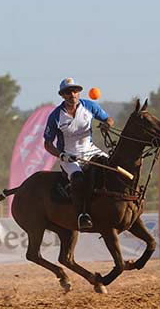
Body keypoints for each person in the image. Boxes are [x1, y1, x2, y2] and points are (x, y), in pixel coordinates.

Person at [44, 78, 114, 231]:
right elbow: (47, 144)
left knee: (113, 168)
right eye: (68, 92)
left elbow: (108, 119)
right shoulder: (55, 116)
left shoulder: (89, 106)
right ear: (62, 95)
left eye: (75, 91)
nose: (72, 94)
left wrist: (106, 125)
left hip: (90, 150)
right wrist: (61, 155)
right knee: (78, 179)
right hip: (69, 156)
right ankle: (82, 215)